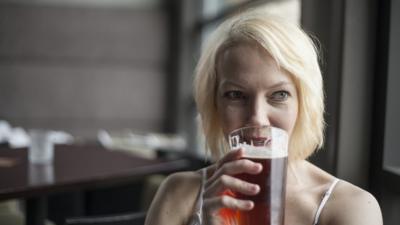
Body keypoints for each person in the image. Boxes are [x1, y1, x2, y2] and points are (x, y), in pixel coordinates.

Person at [145, 8, 383, 225]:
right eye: (236, 95)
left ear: (303, 103)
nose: (257, 118)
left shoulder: (352, 208)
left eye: (279, 94)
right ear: (214, 104)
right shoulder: (177, 194)